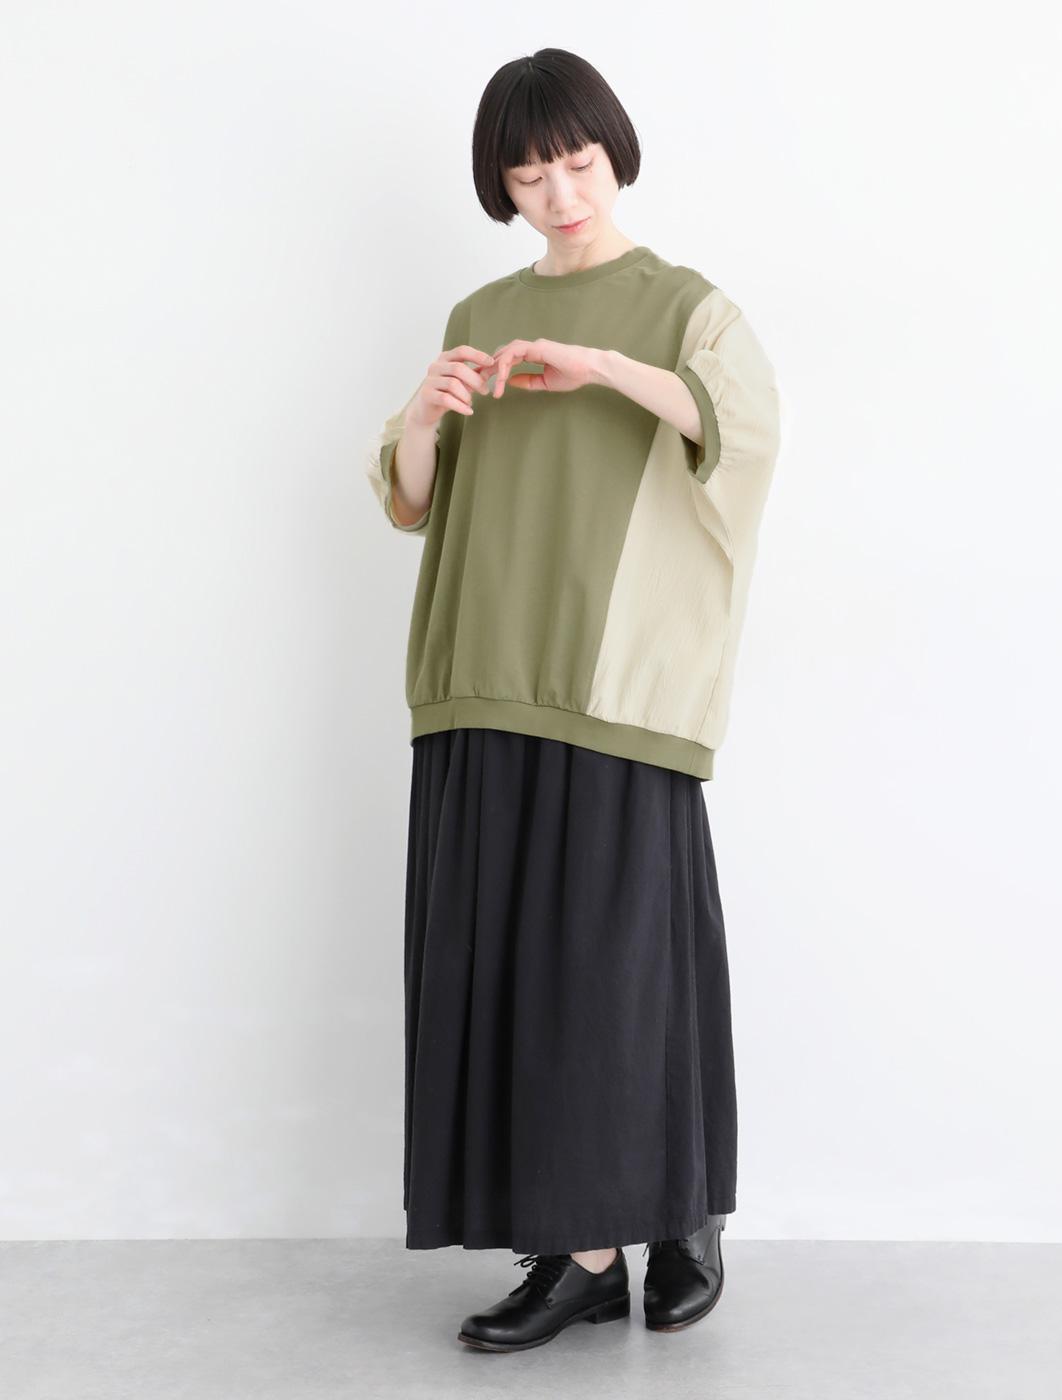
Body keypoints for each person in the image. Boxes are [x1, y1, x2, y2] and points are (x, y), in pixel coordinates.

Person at [365, 48, 781, 1353]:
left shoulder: (687, 308)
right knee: (519, 981)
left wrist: (602, 365)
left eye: (579, 163)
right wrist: (421, 419)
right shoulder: (479, 312)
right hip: (483, 673)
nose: (559, 193)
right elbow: (416, 500)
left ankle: (664, 1217)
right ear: (501, 185)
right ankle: (588, 1250)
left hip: (614, 682)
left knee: (618, 977)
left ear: (616, 155)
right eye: (530, 173)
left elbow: (740, 436)